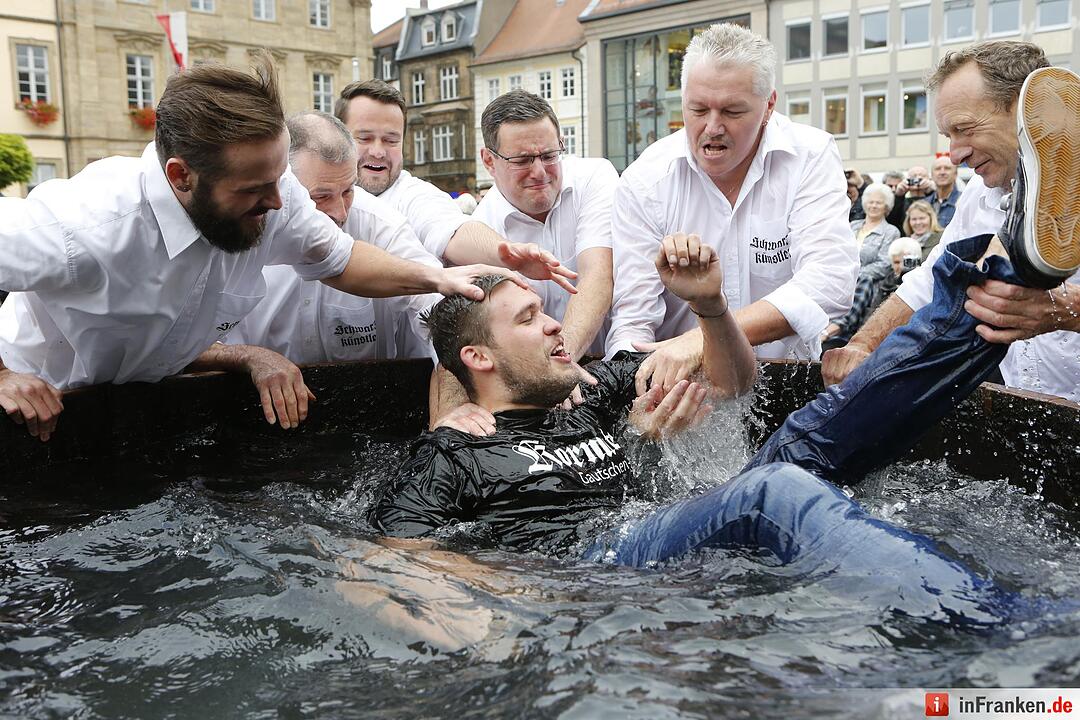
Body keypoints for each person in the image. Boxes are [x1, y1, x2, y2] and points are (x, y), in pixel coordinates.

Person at [373, 147, 1080, 620]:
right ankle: (1017, 629)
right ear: (481, 360)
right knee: (771, 492)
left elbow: (735, 382)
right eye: (530, 318)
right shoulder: (452, 452)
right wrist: (515, 609)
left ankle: (1019, 270)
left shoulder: (593, 386)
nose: (558, 326)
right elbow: (386, 563)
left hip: (680, 527)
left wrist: (710, 306)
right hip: (600, 568)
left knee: (815, 435)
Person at [0, 54, 508, 442]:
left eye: (279, 179)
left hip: (145, 405)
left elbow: (344, 259)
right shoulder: (86, 223)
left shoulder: (274, 191)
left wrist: (437, 279)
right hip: (40, 411)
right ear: (181, 176)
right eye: (251, 190)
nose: (277, 202)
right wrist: (3, 376)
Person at [605, 22, 857, 399]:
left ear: (769, 105)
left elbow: (830, 281)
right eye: (698, 109)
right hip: (684, 391)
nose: (712, 127)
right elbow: (633, 317)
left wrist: (703, 337)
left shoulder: (809, 155)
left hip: (786, 379)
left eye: (732, 111)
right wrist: (638, 394)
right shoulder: (647, 179)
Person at [822, 44, 1080, 405]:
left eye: (965, 129)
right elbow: (929, 281)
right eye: (949, 136)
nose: (955, 154)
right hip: (1031, 409)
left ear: (1026, 110)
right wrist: (863, 345)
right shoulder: (979, 191)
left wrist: (1066, 310)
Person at [334, 80, 556, 278]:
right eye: (364, 138)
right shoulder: (304, 195)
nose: (378, 152)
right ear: (338, 137)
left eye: (391, 140)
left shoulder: (415, 196)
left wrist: (506, 252)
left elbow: (451, 228)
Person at [473, 90, 617, 360]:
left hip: (605, 362)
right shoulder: (481, 229)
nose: (539, 172)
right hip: (536, 374)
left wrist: (563, 360)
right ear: (489, 161)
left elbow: (597, 276)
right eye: (523, 160)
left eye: (549, 155)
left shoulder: (594, 178)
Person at [821, 236, 922, 349]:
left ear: (916, 261)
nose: (900, 267)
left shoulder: (924, 286)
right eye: (896, 262)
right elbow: (871, 317)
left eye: (905, 262)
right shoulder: (886, 285)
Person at [849, 182, 902, 282]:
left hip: (868, 285)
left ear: (886, 206)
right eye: (871, 202)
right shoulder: (852, 225)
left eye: (878, 203)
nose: (874, 206)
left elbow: (884, 265)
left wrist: (853, 274)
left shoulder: (891, 232)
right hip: (843, 280)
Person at [931, 155, 962, 227]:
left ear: (955, 174)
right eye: (938, 169)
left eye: (947, 168)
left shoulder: (964, 200)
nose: (942, 172)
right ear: (932, 175)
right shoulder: (925, 203)